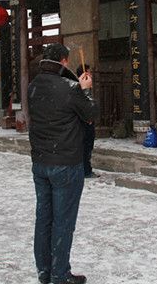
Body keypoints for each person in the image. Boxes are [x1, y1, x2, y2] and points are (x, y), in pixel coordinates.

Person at [28, 43, 98, 284]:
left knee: (44, 218)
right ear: (64, 61)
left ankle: (44, 270)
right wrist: (86, 90)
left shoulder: (33, 86)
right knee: (63, 220)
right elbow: (90, 114)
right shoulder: (70, 88)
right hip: (66, 162)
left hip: (41, 161)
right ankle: (60, 274)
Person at [76, 64, 98, 178]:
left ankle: (85, 169)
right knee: (86, 147)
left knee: (86, 147)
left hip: (85, 122)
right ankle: (86, 170)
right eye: (89, 72)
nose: (91, 75)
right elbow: (86, 106)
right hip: (84, 123)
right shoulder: (81, 88)